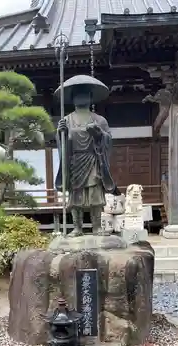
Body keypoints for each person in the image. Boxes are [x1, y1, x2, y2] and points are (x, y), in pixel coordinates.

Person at [54, 76, 117, 237]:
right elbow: (61, 143)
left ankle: (97, 227)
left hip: (93, 159)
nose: (81, 98)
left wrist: (99, 134)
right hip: (75, 161)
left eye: (85, 95)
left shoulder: (99, 119)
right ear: (73, 99)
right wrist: (61, 133)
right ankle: (77, 228)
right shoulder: (66, 120)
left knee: (95, 195)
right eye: (77, 95)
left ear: (90, 98)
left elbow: (108, 140)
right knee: (76, 196)